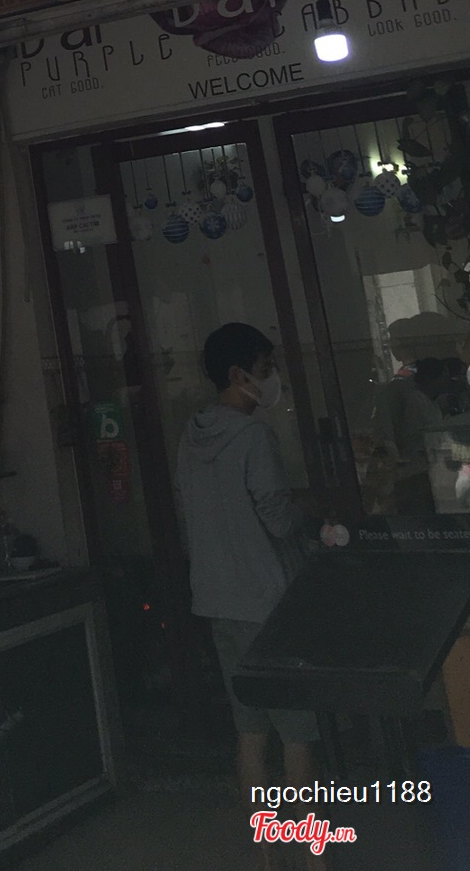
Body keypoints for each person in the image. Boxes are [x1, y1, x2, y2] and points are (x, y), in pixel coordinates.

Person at [177, 322, 317, 806]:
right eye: (266, 368)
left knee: (250, 729)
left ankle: (263, 841)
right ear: (238, 375)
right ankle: (308, 843)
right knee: (297, 732)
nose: (273, 377)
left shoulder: (191, 436)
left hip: (217, 600)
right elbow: (278, 521)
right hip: (267, 602)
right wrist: (310, 513)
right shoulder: (254, 436)